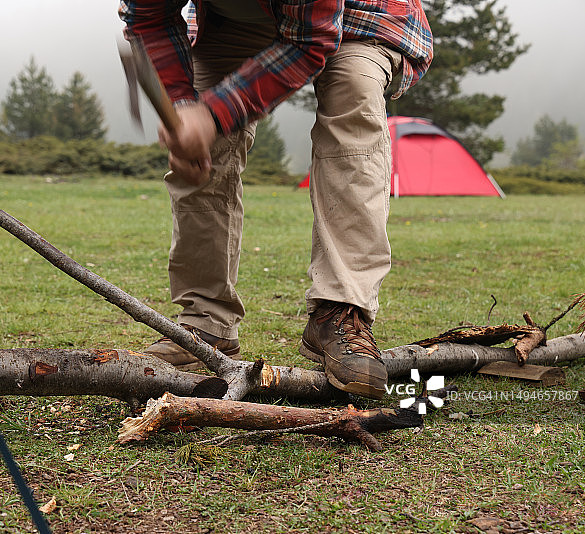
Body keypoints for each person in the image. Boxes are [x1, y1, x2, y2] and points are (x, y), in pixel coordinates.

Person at [119, 0, 433, 399]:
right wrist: (183, 108)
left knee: (353, 92)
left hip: (359, 17)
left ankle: (341, 310)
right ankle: (206, 323)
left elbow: (310, 41)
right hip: (238, 17)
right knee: (201, 131)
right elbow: (148, 18)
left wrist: (213, 115)